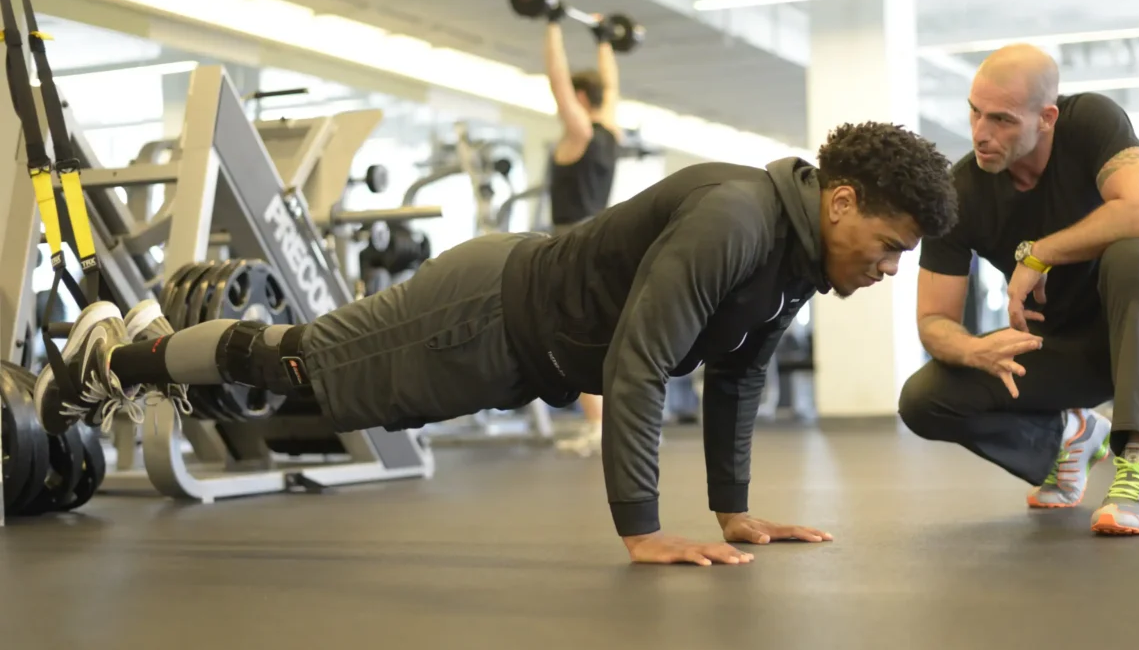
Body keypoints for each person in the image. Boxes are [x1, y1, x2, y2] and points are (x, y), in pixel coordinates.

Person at [36, 122, 959, 565]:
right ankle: (116, 360)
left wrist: (733, 508)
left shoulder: (796, 256)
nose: (887, 267)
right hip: (482, 310)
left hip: (512, 349)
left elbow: (740, 371)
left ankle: (146, 350)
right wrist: (641, 529)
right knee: (300, 365)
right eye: (889, 246)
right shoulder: (737, 220)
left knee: (307, 380)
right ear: (843, 202)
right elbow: (640, 362)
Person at [897, 44, 1139, 536]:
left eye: (1001, 120)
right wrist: (975, 350)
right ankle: (1070, 436)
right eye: (975, 113)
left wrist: (1039, 253)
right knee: (924, 398)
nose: (981, 133)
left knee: (1133, 251)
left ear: (1046, 118)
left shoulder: (1090, 122)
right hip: (1072, 353)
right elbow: (934, 320)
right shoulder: (960, 193)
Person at [543, 12, 621, 457]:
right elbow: (609, 87)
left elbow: (557, 83)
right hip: (602, 238)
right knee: (595, 334)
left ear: (577, 97)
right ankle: (608, 425)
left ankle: (599, 428)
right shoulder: (610, 129)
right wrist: (603, 41)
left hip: (572, 246)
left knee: (572, 336)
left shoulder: (581, 131)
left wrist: (553, 24)